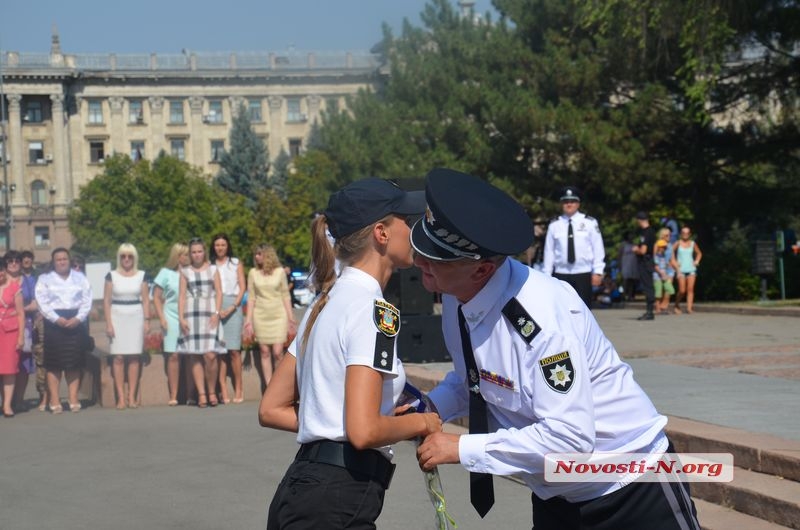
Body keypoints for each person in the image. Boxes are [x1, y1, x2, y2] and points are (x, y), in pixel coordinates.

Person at [411, 168, 699, 530]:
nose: (419, 262)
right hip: (557, 494)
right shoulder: (456, 297)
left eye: (435, 258)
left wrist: (463, 448)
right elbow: (475, 378)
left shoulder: (541, 320)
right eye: (420, 248)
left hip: (631, 486)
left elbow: (570, 437)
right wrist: (432, 406)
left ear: (482, 269)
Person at [259, 177, 442, 529]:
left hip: (302, 486)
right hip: (338, 496)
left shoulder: (323, 303)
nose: (414, 229)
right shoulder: (373, 310)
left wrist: (333, 422)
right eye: (407, 220)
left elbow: (272, 408)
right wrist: (423, 422)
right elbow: (363, 432)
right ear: (381, 233)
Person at [35, 248, 93, 414]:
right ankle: (54, 399)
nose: (62, 262)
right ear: (53, 262)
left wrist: (78, 318)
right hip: (54, 323)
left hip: (75, 321)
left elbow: (87, 300)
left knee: (73, 363)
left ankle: (73, 398)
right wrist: (56, 319)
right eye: (58, 259)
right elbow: (42, 302)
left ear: (69, 260)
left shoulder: (80, 277)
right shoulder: (45, 279)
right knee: (54, 365)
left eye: (64, 259)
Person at [176, 237, 225, 408]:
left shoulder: (213, 270)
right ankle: (202, 394)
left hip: (210, 314)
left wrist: (217, 313)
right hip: (191, 314)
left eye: (200, 251)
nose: (197, 255)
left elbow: (219, 292)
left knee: (211, 355)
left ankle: (212, 390)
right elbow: (181, 296)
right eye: (194, 252)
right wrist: (181, 318)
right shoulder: (185, 272)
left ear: (204, 252)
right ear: (190, 254)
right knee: (195, 355)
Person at [542, 186, 605, 308]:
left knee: (584, 310)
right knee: (562, 309)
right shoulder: (555, 224)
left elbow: (598, 248)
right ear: (561, 204)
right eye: (566, 202)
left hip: (583, 273)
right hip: (561, 274)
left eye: (572, 201)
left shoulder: (589, 223)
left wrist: (598, 271)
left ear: (578, 203)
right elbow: (549, 251)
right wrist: (547, 275)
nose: (569, 204)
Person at [103, 244, 150, 409]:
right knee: (118, 357)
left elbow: (145, 300)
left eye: (130, 256)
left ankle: (132, 397)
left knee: (134, 357)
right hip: (117, 316)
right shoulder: (111, 276)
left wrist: (147, 321)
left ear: (134, 257)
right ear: (119, 257)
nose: (127, 259)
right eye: (123, 256)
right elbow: (107, 301)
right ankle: (120, 398)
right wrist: (108, 323)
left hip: (135, 316)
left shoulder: (142, 275)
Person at [245, 244, 296, 393]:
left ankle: (278, 386)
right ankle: (268, 388)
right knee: (264, 351)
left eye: (259, 254)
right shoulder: (253, 273)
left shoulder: (279, 272)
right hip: (260, 315)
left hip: (278, 314)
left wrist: (290, 318)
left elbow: (285, 295)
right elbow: (251, 297)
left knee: (277, 351)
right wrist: (248, 320)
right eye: (256, 254)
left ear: (268, 255)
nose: (256, 257)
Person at [210, 233, 246, 404]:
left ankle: (239, 388)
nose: (220, 248)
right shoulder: (210, 266)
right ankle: (222, 388)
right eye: (217, 245)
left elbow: (242, 287)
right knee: (220, 351)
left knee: (234, 351)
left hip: (234, 305)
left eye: (223, 245)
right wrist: (217, 310)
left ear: (227, 246)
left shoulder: (236, 263)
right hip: (216, 305)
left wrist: (232, 307)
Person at [153, 243, 190, 406]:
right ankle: (173, 394)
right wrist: (161, 318)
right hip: (171, 315)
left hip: (189, 315)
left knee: (190, 356)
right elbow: (156, 297)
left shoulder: (193, 273)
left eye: (188, 254)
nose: (187, 257)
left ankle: (191, 393)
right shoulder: (165, 273)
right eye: (184, 254)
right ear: (177, 256)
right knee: (173, 355)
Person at [5, 250, 36, 412]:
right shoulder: (1, 279)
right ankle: (6, 401)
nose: (14, 263)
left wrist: (19, 310)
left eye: (17, 260)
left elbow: (36, 303)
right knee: (4, 364)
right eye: (10, 260)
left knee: (23, 364)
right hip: (4, 327)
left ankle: (19, 399)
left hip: (26, 326)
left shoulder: (28, 280)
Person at [21, 250, 47, 411]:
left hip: (38, 323)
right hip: (21, 322)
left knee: (41, 361)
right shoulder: (15, 278)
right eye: (23, 258)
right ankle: (17, 398)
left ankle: (43, 396)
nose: (26, 260)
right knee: (21, 362)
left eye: (29, 258)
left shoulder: (39, 276)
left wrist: (38, 305)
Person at [0, 258, 25, 417]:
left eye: (2, 270)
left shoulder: (15, 288)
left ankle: (7, 405)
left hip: (10, 333)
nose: (0, 273)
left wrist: (21, 337)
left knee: (9, 370)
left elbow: (21, 314)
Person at [672, 226, 703, 314]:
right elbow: (670, 252)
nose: (685, 235)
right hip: (681, 269)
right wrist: (674, 262)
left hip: (691, 269)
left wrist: (697, 261)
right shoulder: (677, 243)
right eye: (683, 233)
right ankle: (676, 304)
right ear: (681, 234)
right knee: (682, 290)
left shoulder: (693, 243)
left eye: (687, 233)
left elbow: (699, 253)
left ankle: (689, 308)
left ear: (689, 234)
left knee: (690, 289)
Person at [634, 211, 657, 321]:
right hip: (647, 261)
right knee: (648, 285)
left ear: (639, 220)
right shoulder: (650, 231)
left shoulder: (646, 232)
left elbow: (643, 251)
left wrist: (636, 250)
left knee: (648, 285)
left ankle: (650, 311)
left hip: (645, 261)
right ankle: (649, 310)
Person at [653, 239, 676, 314]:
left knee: (670, 289)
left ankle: (663, 306)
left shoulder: (663, 256)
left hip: (664, 275)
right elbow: (656, 267)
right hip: (657, 276)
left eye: (665, 247)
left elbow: (666, 264)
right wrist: (662, 273)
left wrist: (670, 268)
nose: (665, 249)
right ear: (659, 247)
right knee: (658, 292)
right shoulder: (656, 256)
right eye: (663, 247)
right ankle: (657, 308)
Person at [618, 232, 639, 301]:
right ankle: (623, 296)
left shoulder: (635, 245)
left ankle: (631, 296)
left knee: (632, 282)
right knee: (625, 282)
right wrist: (620, 266)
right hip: (625, 265)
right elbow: (619, 256)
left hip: (633, 266)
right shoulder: (623, 245)